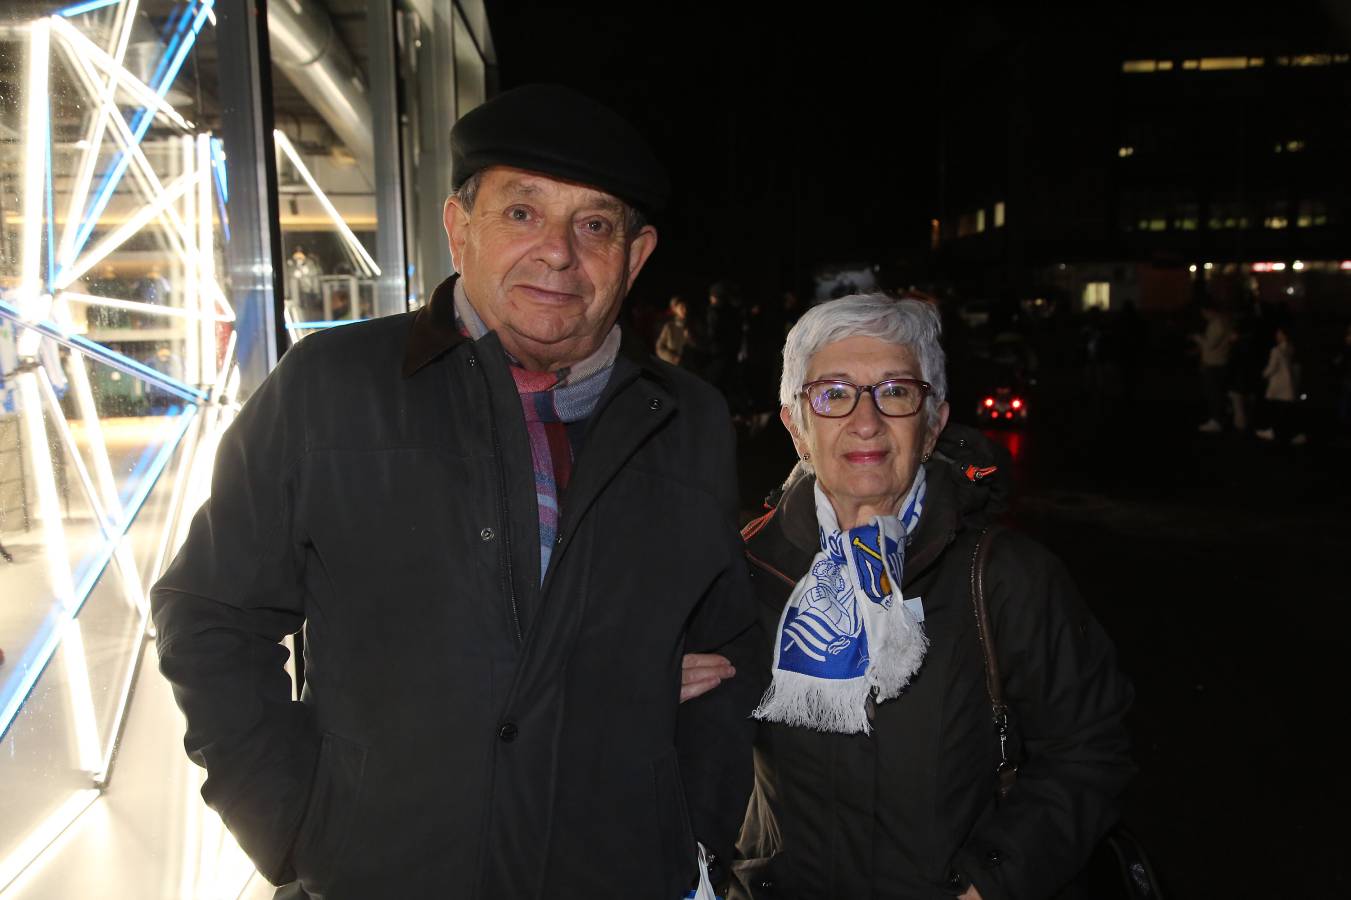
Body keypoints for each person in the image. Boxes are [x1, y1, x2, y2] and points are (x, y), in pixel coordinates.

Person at [151, 84, 759, 899]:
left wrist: (692, 830)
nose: (557, 252)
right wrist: (292, 822)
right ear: (457, 227)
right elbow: (210, 613)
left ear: (635, 255)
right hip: (387, 875)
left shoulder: (689, 421)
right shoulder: (331, 388)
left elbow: (726, 652)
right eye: (521, 213)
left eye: (594, 225)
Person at [697, 293, 1133, 899]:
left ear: (932, 423)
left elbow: (1090, 754)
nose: (866, 420)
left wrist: (989, 884)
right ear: (796, 424)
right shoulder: (743, 570)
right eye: (834, 393)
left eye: (896, 391)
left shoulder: (1005, 579)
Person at [1255, 326, 1304, 445]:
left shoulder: (1276, 350)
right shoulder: (1291, 348)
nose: (1277, 335)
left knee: (1276, 410)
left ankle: (1274, 432)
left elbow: (1272, 367)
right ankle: (1288, 433)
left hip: (1278, 384)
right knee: (1286, 411)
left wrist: (1263, 374)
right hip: (1289, 384)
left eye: (1279, 333)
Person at [1192, 303, 1236, 432]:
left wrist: (1197, 337)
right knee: (1218, 392)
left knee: (1214, 393)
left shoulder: (1218, 324)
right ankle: (1220, 417)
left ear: (1209, 310)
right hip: (1219, 361)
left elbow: (1209, 344)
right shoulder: (1224, 321)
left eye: (1204, 313)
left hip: (1214, 363)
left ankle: (1217, 420)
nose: (1204, 316)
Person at [656, 295, 692, 365]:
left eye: (686, 307)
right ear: (675, 309)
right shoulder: (669, 327)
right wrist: (674, 358)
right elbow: (659, 348)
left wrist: (691, 339)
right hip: (673, 367)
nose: (685, 310)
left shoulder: (691, 325)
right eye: (681, 307)